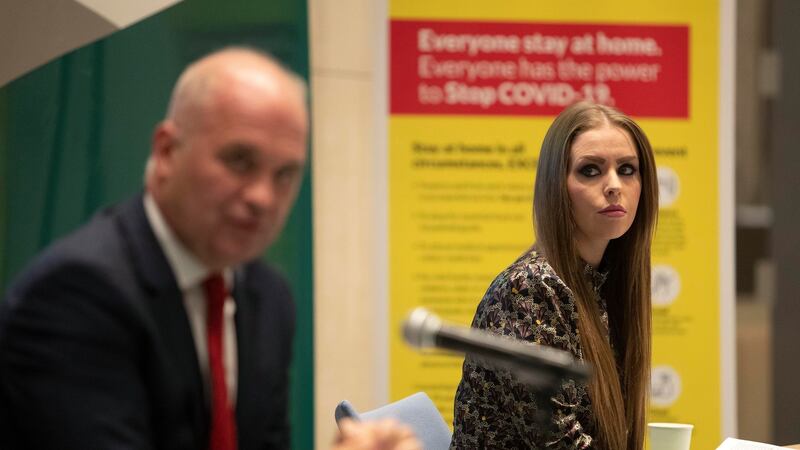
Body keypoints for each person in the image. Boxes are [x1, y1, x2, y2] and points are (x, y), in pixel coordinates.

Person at [0, 47, 419, 450]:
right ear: (167, 151)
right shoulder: (78, 293)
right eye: (240, 161)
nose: (263, 197)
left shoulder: (267, 296)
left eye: (285, 175)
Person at [450, 101, 658, 449]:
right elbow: (558, 442)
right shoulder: (529, 289)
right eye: (590, 170)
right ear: (555, 186)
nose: (613, 185)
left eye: (627, 169)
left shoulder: (605, 282)